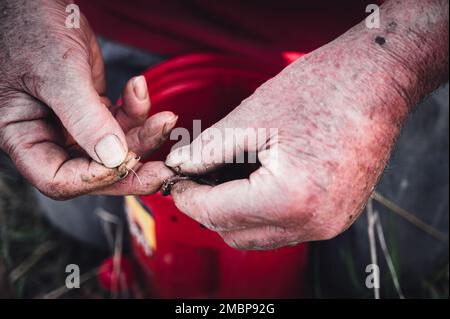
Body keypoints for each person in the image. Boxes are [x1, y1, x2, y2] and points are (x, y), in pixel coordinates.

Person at [0, 0, 448, 255]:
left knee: (401, 254)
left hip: (368, 39)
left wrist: (394, 66)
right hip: (106, 26)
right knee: (86, 224)